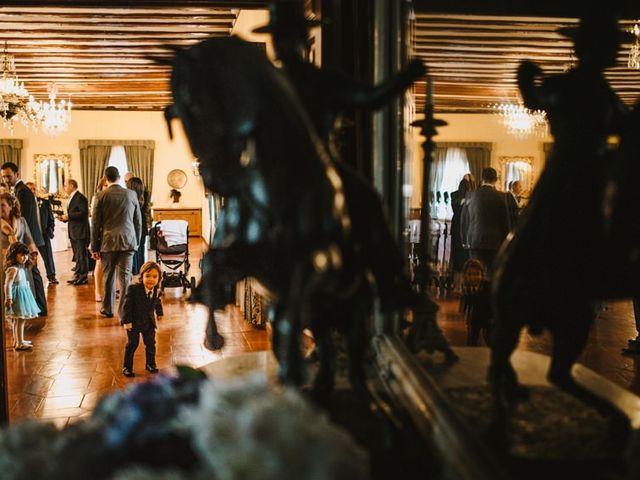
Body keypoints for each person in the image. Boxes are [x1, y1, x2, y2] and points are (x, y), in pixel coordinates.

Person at [91, 166, 142, 319]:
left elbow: (95, 224)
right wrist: (137, 241)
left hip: (108, 242)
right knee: (125, 277)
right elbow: (137, 221)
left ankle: (107, 309)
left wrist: (95, 246)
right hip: (128, 241)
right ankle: (124, 312)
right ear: (119, 177)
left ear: (106, 178)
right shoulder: (131, 194)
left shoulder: (101, 195)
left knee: (109, 276)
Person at [1, 162, 47, 316]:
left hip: (27, 238)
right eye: (4, 177)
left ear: (17, 174)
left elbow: (23, 217)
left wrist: (26, 247)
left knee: (33, 276)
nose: (6, 179)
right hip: (24, 241)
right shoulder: (18, 190)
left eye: (8, 176)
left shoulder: (22, 192)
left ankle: (38, 307)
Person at [460, 167, 511, 277]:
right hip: (494, 242)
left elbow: (464, 220)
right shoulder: (502, 197)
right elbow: (505, 222)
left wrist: (465, 240)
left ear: (482, 178)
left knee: (474, 275)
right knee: (491, 275)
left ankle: (475, 293)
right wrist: (505, 244)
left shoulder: (470, 195)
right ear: (496, 179)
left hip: (474, 241)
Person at [121, 261, 163, 377]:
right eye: (147, 276)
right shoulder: (134, 289)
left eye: (154, 277)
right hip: (133, 322)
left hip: (148, 322)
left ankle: (151, 364)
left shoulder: (156, 290)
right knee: (132, 344)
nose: (151, 279)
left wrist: (159, 312)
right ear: (142, 276)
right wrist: (127, 322)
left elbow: (157, 302)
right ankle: (127, 367)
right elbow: (127, 307)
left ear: (159, 279)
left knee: (150, 344)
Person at [4, 242, 40, 351]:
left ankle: (18, 340)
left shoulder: (20, 268)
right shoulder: (13, 269)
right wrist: (8, 298)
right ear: (14, 255)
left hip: (23, 295)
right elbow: (7, 284)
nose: (24, 258)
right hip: (18, 297)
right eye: (21, 255)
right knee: (20, 320)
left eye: (25, 255)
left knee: (19, 320)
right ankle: (19, 343)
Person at [58, 180, 90, 285]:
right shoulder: (72, 197)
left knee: (82, 255)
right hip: (74, 231)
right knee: (77, 255)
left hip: (80, 231)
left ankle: (83, 277)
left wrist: (68, 216)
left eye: (65, 185)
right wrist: (65, 218)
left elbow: (83, 213)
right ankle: (78, 275)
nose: (64, 188)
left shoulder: (80, 197)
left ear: (72, 185)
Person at [26, 182, 58, 284]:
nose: (32, 191)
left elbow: (51, 218)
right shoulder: (24, 204)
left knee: (48, 256)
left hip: (43, 234)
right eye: (30, 189)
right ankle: (33, 277)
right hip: (30, 236)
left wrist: (50, 229)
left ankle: (51, 276)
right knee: (30, 257)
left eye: (34, 189)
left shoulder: (44, 202)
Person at [460, 259, 492, 346]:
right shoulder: (467, 287)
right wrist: (465, 315)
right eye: (469, 274)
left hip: (489, 318)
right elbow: (468, 302)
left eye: (476, 274)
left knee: (491, 341)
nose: (473, 277)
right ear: (465, 275)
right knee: (471, 340)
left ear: (482, 275)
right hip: (475, 318)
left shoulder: (488, 287)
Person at [449, 176, 474, 290]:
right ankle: (459, 284)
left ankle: (460, 283)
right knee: (461, 255)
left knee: (461, 254)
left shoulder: (455, 195)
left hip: (460, 227)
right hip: (463, 228)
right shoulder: (456, 196)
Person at [90, 177, 108, 302]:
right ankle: (97, 290)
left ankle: (111, 290)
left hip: (111, 236)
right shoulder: (97, 198)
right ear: (101, 187)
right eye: (105, 185)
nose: (107, 188)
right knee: (99, 263)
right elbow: (94, 221)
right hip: (100, 234)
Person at [126, 176, 148, 275]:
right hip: (142, 224)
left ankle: (134, 270)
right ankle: (142, 268)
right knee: (141, 248)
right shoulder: (144, 196)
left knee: (134, 248)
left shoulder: (129, 198)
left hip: (133, 224)